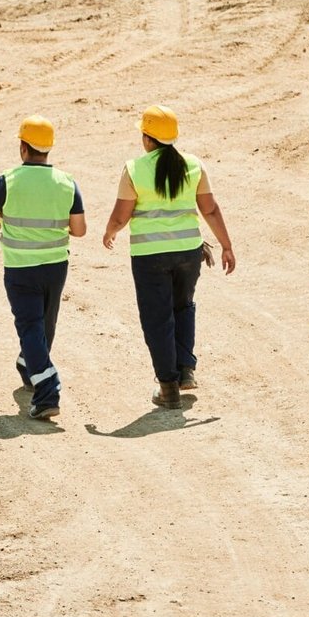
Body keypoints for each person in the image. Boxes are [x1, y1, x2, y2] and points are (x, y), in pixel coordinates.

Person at [100, 105, 236, 409]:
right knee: (183, 306)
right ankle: (185, 368)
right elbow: (210, 209)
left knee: (156, 317)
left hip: (150, 256)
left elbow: (122, 215)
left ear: (147, 138)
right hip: (189, 252)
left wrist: (110, 232)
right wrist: (226, 245)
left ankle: (168, 388)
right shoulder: (193, 165)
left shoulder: (135, 168)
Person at [0, 116, 87, 420]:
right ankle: (30, 366)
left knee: (30, 326)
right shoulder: (67, 182)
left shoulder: (8, 180)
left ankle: (47, 389)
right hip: (55, 267)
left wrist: (1, 220)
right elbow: (79, 230)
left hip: (21, 268)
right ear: (47, 150)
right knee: (44, 325)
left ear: (23, 147)